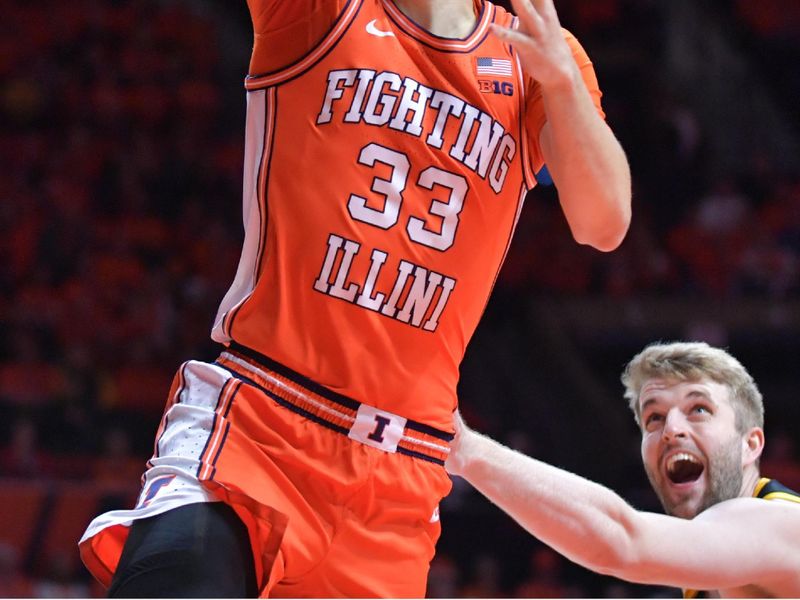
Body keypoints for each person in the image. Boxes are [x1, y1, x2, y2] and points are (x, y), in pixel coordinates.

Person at [79, 0, 631, 596]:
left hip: (402, 473)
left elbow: (603, 223)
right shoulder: (322, 11)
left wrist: (562, 78)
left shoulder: (539, 53)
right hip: (264, 424)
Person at [446, 341, 800, 598]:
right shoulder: (706, 571)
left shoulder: (778, 523)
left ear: (749, 444)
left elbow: (621, 541)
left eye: (699, 410)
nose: (671, 429)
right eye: (654, 417)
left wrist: (465, 448)